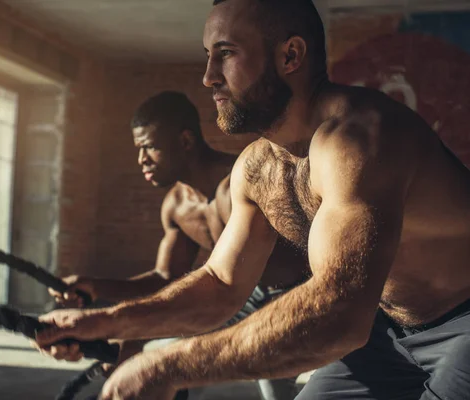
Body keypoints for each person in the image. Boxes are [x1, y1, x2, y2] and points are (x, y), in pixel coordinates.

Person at [35, 0, 470, 399]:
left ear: (290, 56)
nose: (208, 76)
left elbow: (339, 313)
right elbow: (222, 285)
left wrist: (166, 366)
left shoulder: (359, 140)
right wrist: (106, 321)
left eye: (225, 53)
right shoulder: (257, 167)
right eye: (208, 55)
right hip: (388, 326)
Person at [50, 90, 307, 400]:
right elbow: (165, 278)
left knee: (277, 386)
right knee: (161, 357)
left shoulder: (237, 187)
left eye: (150, 147)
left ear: (185, 141)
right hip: (245, 297)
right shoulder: (176, 206)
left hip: (297, 296)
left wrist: (131, 332)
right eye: (139, 148)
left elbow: (220, 285)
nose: (141, 159)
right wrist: (95, 287)